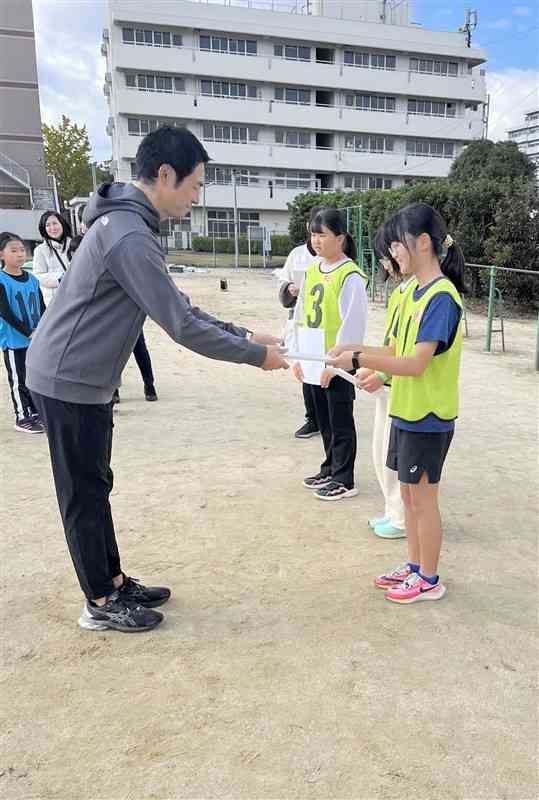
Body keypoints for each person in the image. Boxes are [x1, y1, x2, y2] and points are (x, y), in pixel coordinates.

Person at [26, 126, 288, 633]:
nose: (196, 197)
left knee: (96, 485)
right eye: (195, 186)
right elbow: (181, 325)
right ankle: (100, 601)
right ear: (165, 175)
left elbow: (180, 306)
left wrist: (245, 333)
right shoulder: (128, 234)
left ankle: (113, 580)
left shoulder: (132, 227)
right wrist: (256, 356)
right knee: (83, 493)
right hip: (66, 377)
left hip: (84, 378)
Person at [327, 203, 465, 603]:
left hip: (428, 416)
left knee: (423, 500)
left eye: (396, 245)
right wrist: (359, 353)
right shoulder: (411, 294)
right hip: (405, 411)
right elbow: (393, 350)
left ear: (423, 243)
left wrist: (358, 359)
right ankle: (415, 566)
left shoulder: (441, 297)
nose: (392, 254)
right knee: (406, 496)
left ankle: (430, 578)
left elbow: (417, 362)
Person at [292, 208, 369, 501]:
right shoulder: (312, 270)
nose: (316, 240)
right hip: (311, 358)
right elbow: (299, 315)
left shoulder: (350, 275)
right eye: (313, 235)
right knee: (322, 419)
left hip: (335, 362)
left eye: (322, 234)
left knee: (340, 420)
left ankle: (344, 478)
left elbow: (353, 324)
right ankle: (330, 467)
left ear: (340, 238)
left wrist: (334, 365)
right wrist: (298, 357)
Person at [358, 221, 414, 539]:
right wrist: (372, 368)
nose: (385, 262)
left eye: (389, 253)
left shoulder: (420, 294)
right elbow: (391, 344)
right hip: (388, 386)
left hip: (400, 390)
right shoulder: (400, 292)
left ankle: (401, 518)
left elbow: (407, 353)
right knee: (380, 453)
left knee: (395, 461)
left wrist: (379, 371)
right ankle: (391, 511)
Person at [69, 234, 159, 403]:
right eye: (74, 253)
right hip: (103, 319)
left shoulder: (111, 260)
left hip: (128, 313)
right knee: (110, 354)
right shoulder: (78, 271)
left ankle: (149, 384)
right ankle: (113, 389)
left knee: (139, 349)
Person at [278, 205, 326, 439]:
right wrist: (290, 289)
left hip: (325, 324)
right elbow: (283, 286)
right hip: (302, 319)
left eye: (323, 231)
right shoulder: (297, 254)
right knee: (305, 369)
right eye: (315, 230)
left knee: (325, 369)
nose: (318, 238)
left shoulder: (335, 259)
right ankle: (312, 418)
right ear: (308, 228)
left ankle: (326, 418)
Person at [0, 232, 46, 434]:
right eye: (14, 250)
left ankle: (35, 411)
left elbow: (43, 308)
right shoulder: (2, 280)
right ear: (2, 254)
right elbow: (5, 312)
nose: (20, 254)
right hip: (14, 340)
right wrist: (28, 332)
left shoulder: (33, 280)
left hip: (35, 340)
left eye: (22, 250)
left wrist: (45, 330)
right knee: (18, 379)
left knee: (34, 377)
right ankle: (22, 416)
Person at [32, 211, 72, 304]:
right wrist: (60, 277)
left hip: (76, 296)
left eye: (55, 223)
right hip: (55, 302)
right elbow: (38, 276)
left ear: (62, 224)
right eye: (48, 225)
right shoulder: (40, 250)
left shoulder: (74, 244)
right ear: (44, 229)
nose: (52, 228)